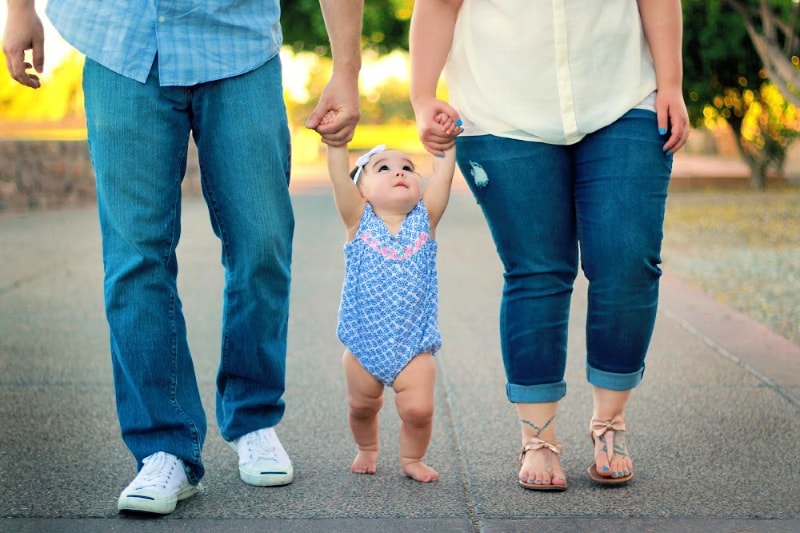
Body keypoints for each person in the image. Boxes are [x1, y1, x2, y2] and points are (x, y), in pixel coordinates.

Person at [3, 0, 363, 514]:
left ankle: (253, 416)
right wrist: (20, 10)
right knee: (135, 258)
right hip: (121, 41)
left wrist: (346, 69)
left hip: (238, 42)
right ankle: (162, 446)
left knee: (263, 241)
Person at [410, 0, 690, 490]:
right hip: (500, 110)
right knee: (537, 271)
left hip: (624, 98)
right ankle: (537, 437)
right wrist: (421, 97)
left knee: (627, 260)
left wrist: (670, 82)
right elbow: (437, 4)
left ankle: (610, 423)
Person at [321, 111, 459, 482]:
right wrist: (337, 144)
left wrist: (444, 147)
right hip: (364, 345)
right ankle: (367, 447)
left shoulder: (425, 220)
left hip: (413, 346)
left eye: (408, 167)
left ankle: (412, 458)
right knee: (361, 406)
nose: (399, 172)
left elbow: (443, 176)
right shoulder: (358, 221)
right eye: (383, 168)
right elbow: (338, 178)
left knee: (418, 410)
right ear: (362, 191)